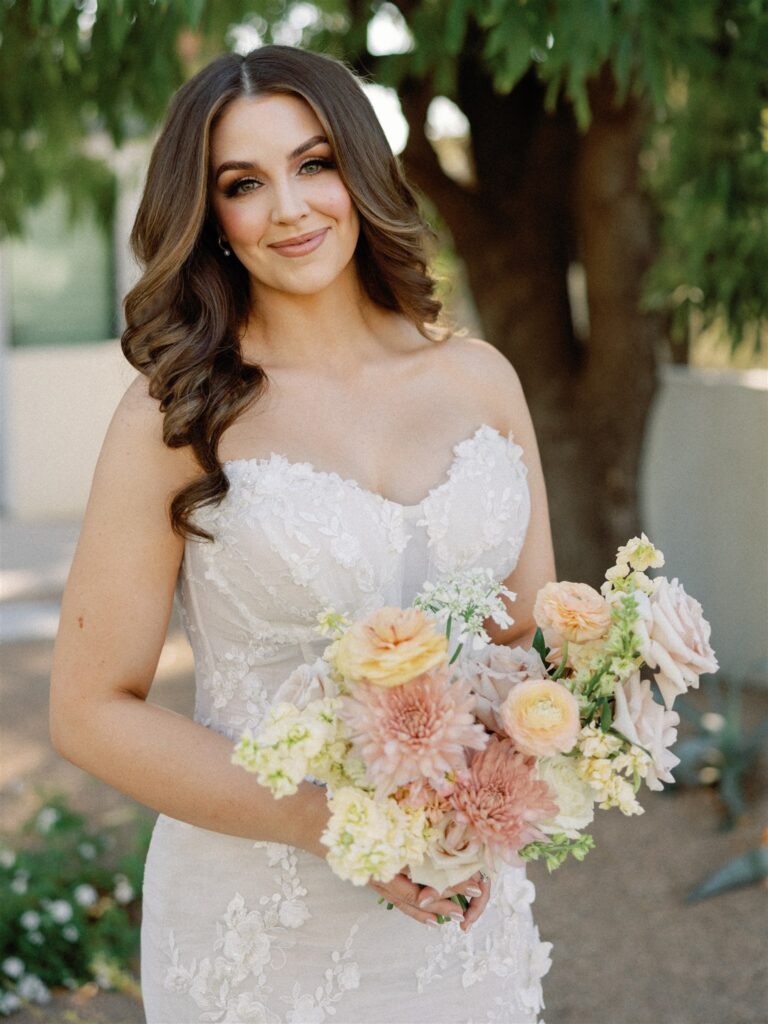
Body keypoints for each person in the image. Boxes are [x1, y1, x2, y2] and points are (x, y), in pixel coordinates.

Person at [50, 43, 557, 1024]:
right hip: (263, 926)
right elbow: (87, 709)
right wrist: (356, 826)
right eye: (246, 183)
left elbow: (527, 649)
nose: (290, 207)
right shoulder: (177, 414)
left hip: (466, 917)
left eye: (315, 162)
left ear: (361, 171)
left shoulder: (483, 379)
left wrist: (567, 736)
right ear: (212, 218)